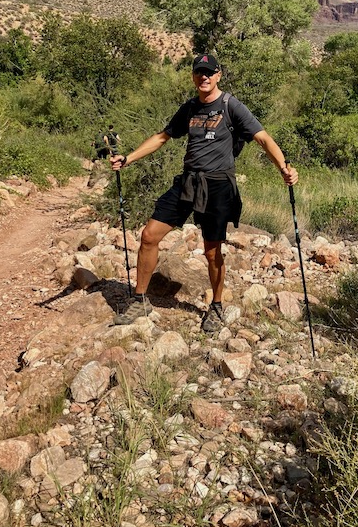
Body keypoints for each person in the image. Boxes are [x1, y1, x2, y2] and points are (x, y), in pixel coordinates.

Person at [110, 54, 298, 332]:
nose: (204, 77)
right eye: (199, 72)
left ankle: (217, 306)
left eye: (209, 72)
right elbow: (162, 137)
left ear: (218, 75)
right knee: (149, 236)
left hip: (218, 186)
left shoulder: (231, 105)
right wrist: (128, 158)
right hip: (188, 182)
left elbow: (263, 138)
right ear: (193, 76)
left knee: (212, 251)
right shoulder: (189, 108)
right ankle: (140, 300)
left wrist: (284, 167)